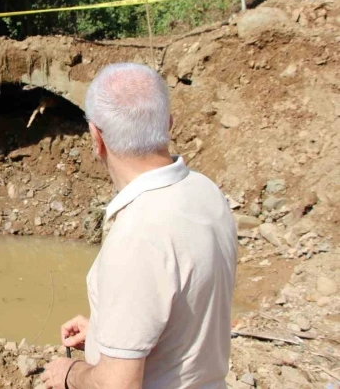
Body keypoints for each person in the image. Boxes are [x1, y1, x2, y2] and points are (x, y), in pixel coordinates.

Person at [41, 63, 237, 389]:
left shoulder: (137, 234)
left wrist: (68, 374)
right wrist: (107, 333)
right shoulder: (207, 193)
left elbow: (115, 385)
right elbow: (184, 312)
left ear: (96, 137)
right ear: (169, 125)